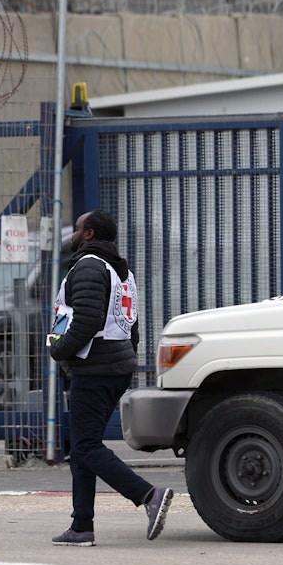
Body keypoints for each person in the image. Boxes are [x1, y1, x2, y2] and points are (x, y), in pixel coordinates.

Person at [48, 209, 172, 547]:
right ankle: (81, 526)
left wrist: (59, 350)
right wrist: (127, 357)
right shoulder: (121, 270)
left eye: (76, 228)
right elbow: (130, 323)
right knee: (85, 446)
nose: (72, 233)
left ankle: (148, 496)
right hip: (115, 367)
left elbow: (85, 321)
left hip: (94, 368)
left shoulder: (88, 266)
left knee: (86, 445)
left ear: (88, 234)